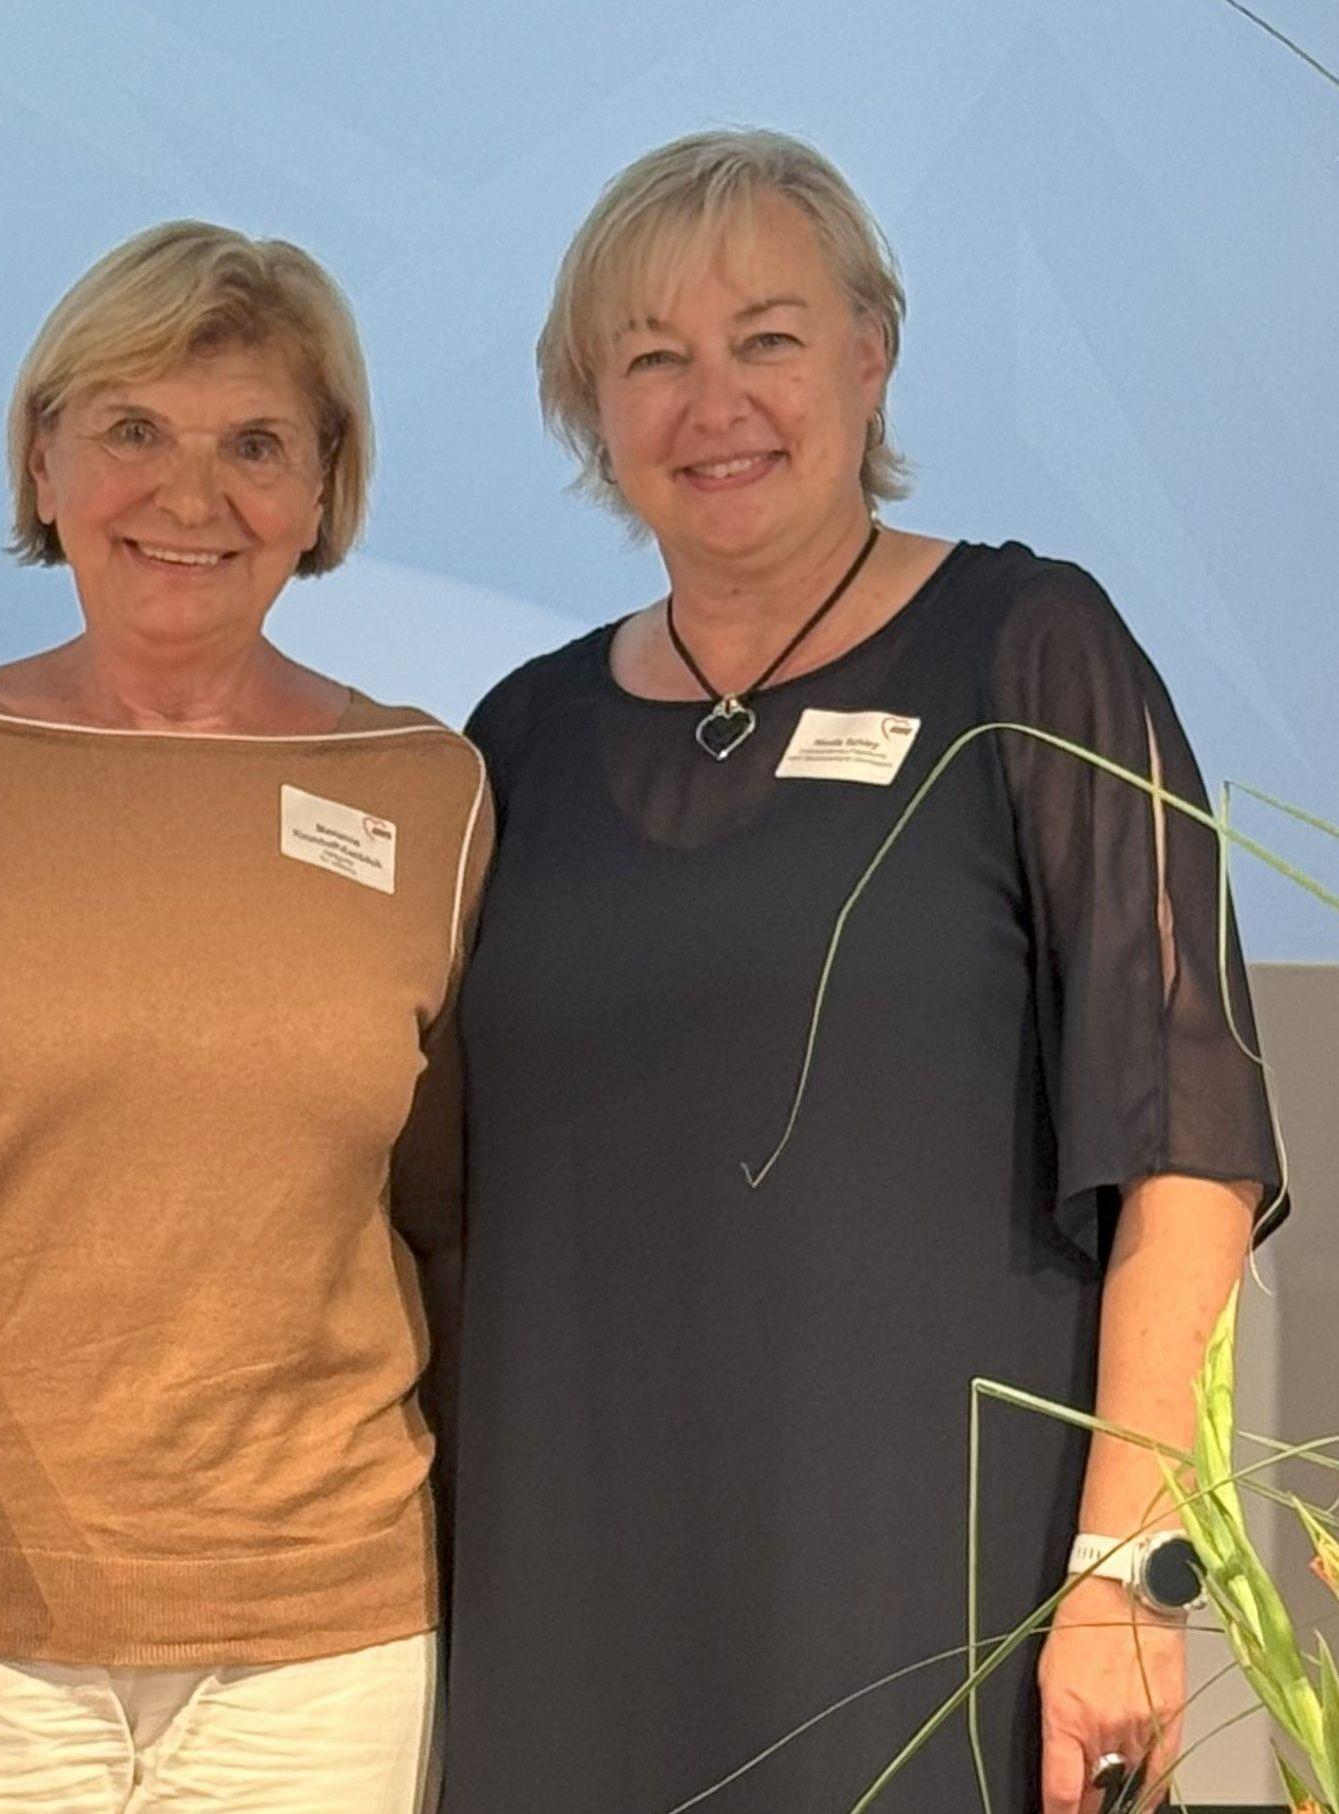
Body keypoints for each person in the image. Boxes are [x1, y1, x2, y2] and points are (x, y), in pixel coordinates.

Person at [440, 128, 1282, 1814]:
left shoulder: (1031, 647)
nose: (715, 403)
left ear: (871, 354)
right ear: (589, 405)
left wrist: (1129, 1571)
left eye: (767, 338)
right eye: (652, 358)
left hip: (933, 1604)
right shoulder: (518, 736)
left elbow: (1186, 1140)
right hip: (567, 1602)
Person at [0, 220, 489, 1814]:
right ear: (42, 461)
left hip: (323, 1642)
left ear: (325, 487)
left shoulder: (432, 791)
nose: (190, 496)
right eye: (132, 430)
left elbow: (442, 1224)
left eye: (254, 444)